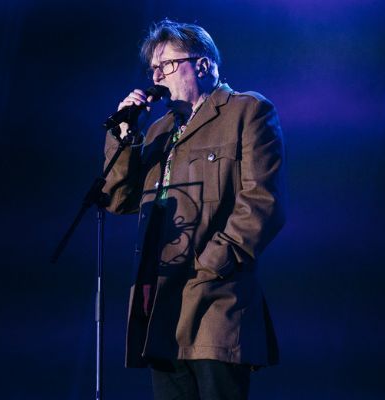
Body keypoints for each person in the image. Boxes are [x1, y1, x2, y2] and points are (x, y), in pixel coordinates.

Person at [102, 19, 285, 400]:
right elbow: (119, 198)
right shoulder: (157, 131)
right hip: (160, 306)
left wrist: (211, 263)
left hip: (216, 302)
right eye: (152, 67)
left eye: (165, 65)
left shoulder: (247, 112)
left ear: (201, 65)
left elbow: (262, 202)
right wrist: (123, 135)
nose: (156, 76)